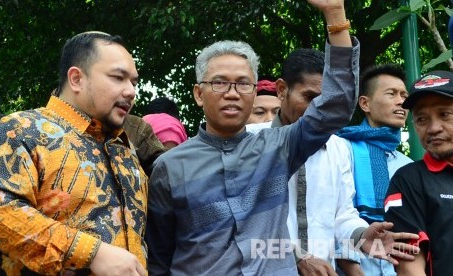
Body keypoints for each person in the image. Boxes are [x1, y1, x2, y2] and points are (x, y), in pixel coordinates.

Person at [146, 1, 418, 275]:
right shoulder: (169, 167)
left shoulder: (277, 146)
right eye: (219, 82)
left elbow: (335, 105)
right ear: (198, 93)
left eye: (243, 83)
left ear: (254, 92)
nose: (231, 92)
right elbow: (159, 257)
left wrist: (334, 13)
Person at [0, 31, 147, 275]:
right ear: (76, 79)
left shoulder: (125, 149)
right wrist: (90, 253)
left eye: (133, 82)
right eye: (118, 78)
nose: (130, 91)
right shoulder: (20, 129)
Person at [247, 48, 368, 276]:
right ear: (282, 90)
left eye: (326, 101)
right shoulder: (248, 141)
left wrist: (362, 234)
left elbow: (343, 215)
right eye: (311, 97)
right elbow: (240, 221)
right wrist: (295, 256)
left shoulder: (339, 148)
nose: (319, 109)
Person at [336, 64, 413, 275]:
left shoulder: (407, 165)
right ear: (365, 103)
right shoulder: (341, 150)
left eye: (404, 95)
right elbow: (332, 214)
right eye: (392, 94)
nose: (401, 101)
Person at [385, 70, 453, 276]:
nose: (433, 128)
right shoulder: (407, 181)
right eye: (422, 119)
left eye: (444, 115)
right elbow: (409, 268)